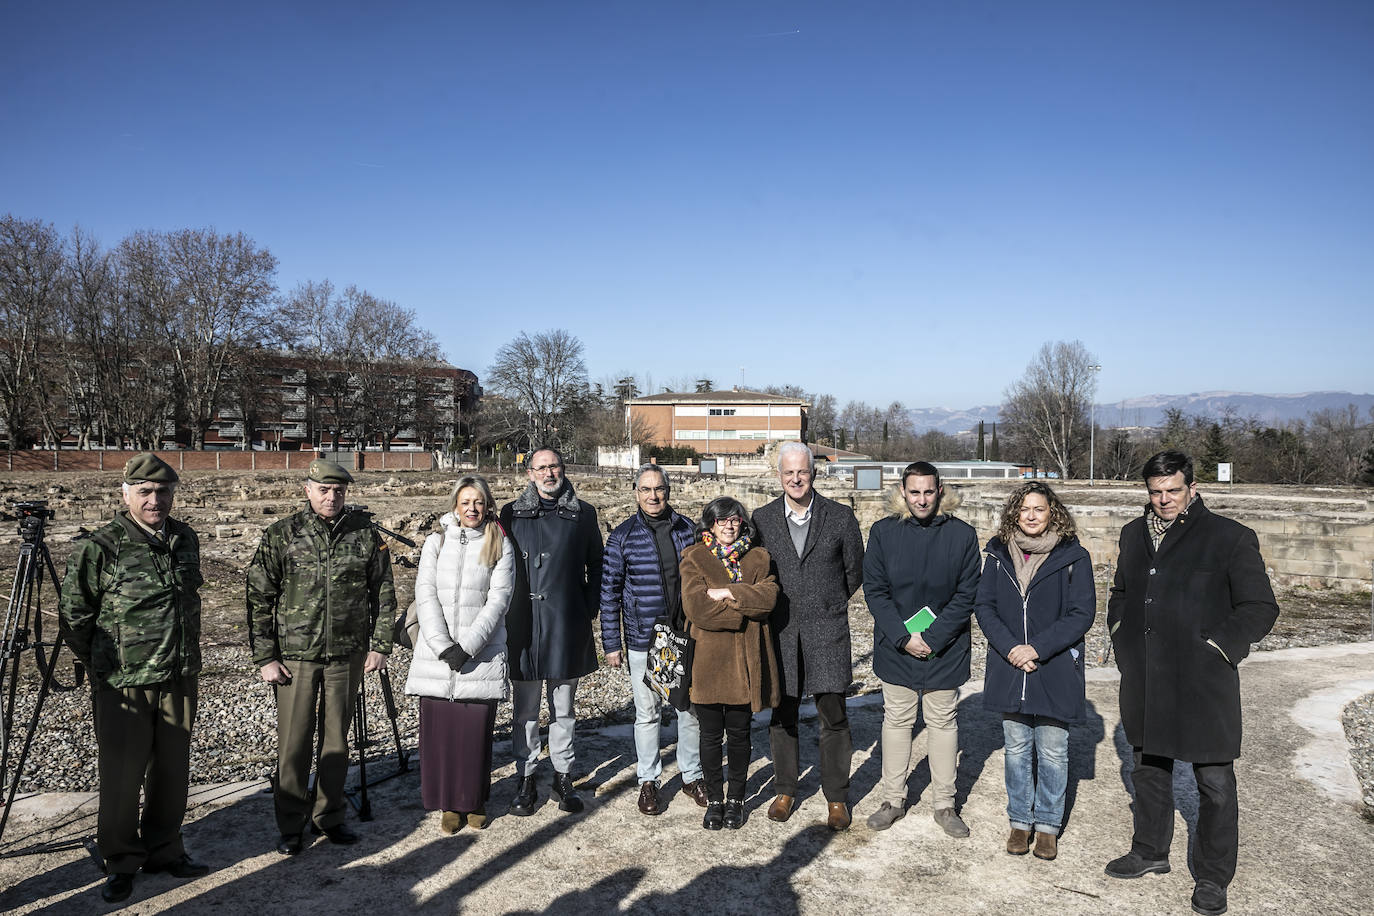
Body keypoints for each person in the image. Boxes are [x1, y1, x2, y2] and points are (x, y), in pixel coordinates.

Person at [1105, 450, 1279, 916]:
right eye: (1155, 492)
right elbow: (1121, 593)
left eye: (1173, 491)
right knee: (1149, 769)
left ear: (1192, 489)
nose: (1163, 500)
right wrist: (1120, 635)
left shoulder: (1230, 537)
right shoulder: (1132, 534)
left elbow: (1260, 606)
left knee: (1215, 783)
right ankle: (1149, 851)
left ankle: (1213, 877)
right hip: (1146, 677)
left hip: (1204, 682)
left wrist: (1219, 648)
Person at [59, 454, 209, 904]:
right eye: (144, 492)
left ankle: (165, 849)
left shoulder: (184, 538)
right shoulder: (100, 545)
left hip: (179, 673)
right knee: (122, 777)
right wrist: (102, 665)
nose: (154, 500)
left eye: (163, 492)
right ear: (125, 495)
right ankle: (121, 860)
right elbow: (74, 614)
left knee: (172, 770)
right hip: (124, 679)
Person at [247, 458, 396, 856]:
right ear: (308, 489)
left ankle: (329, 816)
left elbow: (383, 594)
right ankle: (291, 825)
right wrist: (265, 656)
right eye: (324, 490)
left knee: (336, 743)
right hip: (295, 656)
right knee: (293, 745)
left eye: (339, 491)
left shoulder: (365, 535)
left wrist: (380, 645)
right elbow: (259, 597)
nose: (332, 497)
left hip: (346, 654)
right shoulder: (283, 534)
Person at [972, 481, 1095, 861]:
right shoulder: (997, 554)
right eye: (1024, 509)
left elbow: (1082, 613)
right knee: (1017, 748)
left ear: (1051, 513)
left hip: (1054, 665)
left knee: (1054, 750)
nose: (1030, 515)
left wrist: (1036, 648)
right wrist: (1012, 648)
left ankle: (1047, 826)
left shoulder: (1074, 557)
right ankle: (1019, 821)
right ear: (1014, 513)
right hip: (1011, 665)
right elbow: (985, 606)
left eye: (1038, 509)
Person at [862, 461, 980, 837]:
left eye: (929, 491)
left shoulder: (962, 535)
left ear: (940, 490)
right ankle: (893, 799)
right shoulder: (882, 533)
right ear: (903, 491)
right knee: (897, 721)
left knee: (943, 722)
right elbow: (875, 591)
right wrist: (903, 636)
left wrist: (934, 637)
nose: (922, 499)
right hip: (897, 646)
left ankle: (945, 804)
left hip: (945, 647)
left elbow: (967, 593)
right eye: (915, 492)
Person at [751, 441, 864, 830]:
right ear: (778, 476)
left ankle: (836, 797)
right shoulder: (762, 519)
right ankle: (785, 789)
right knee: (783, 714)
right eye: (788, 473)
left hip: (827, 630)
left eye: (802, 472)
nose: (795, 479)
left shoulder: (840, 517)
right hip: (780, 632)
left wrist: (826, 602)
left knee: (832, 713)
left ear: (813, 474)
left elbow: (854, 573)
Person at [404, 475, 515, 833]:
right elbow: (425, 594)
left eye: (478, 502)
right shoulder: (436, 543)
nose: (472, 508)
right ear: (455, 505)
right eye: (465, 502)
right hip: (438, 658)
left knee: (473, 735)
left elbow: (499, 600)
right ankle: (448, 804)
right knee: (440, 736)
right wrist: (442, 645)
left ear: (487, 506)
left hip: (477, 655)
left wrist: (467, 647)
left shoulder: (499, 543)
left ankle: (473, 800)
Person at [500, 447, 604, 816]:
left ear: (564, 469)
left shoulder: (584, 513)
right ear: (529, 473)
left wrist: (586, 609)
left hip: (565, 624)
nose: (548, 473)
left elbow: (597, 565)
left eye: (554, 466)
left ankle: (563, 774)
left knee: (564, 709)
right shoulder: (510, 514)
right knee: (525, 710)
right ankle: (526, 776)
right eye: (541, 468)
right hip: (523, 624)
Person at [600, 464, 707, 815]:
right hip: (643, 637)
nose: (653, 496)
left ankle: (692, 775)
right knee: (647, 714)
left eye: (658, 489)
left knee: (688, 710)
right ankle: (649, 780)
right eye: (646, 489)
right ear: (636, 493)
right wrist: (612, 643)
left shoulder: (687, 530)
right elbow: (610, 592)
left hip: (682, 635)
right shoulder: (623, 536)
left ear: (668, 491)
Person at [681, 497, 782, 830]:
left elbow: (769, 599)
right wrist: (744, 601)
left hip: (745, 663)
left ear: (743, 523)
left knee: (739, 736)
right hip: (707, 664)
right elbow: (697, 609)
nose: (727, 525)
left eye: (734, 519)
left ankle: (737, 799)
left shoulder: (759, 557)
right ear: (710, 524)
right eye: (720, 520)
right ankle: (714, 800)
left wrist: (725, 593)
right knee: (710, 737)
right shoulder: (694, 558)